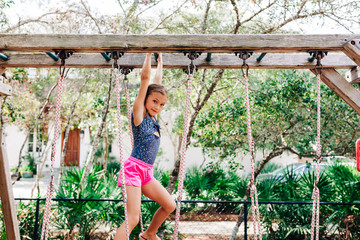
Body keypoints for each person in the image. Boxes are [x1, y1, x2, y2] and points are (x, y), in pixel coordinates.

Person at [114, 53, 176, 240]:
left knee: (170, 205)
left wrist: (160, 63)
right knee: (133, 217)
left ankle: (149, 233)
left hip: (146, 173)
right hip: (133, 170)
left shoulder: (154, 118)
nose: (157, 106)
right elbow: (145, 80)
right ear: (145, 99)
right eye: (154, 101)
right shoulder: (139, 115)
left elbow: (157, 82)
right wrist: (148, 55)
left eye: (162, 104)